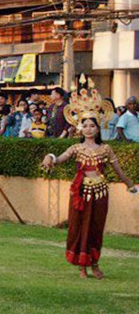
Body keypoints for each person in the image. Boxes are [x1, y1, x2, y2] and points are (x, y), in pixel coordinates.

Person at [41, 85, 138, 278]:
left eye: (92, 125)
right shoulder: (76, 148)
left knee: (96, 227)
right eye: (84, 125)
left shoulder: (106, 149)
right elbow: (59, 159)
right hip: (81, 193)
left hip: (101, 192)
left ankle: (95, 263)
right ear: (80, 127)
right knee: (79, 227)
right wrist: (49, 157)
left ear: (98, 127)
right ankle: (82, 267)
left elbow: (118, 171)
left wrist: (130, 184)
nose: (88, 129)